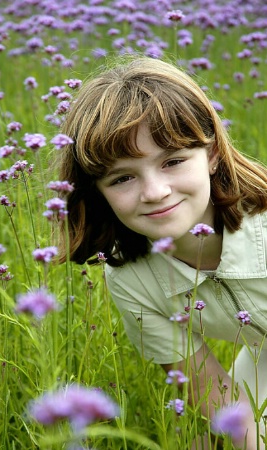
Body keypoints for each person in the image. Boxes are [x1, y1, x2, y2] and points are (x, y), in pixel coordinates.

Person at [57, 56, 267, 448]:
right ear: (96, 192)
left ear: (213, 153)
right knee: (212, 439)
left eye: (172, 161)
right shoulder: (131, 279)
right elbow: (212, 394)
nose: (155, 192)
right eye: (123, 177)